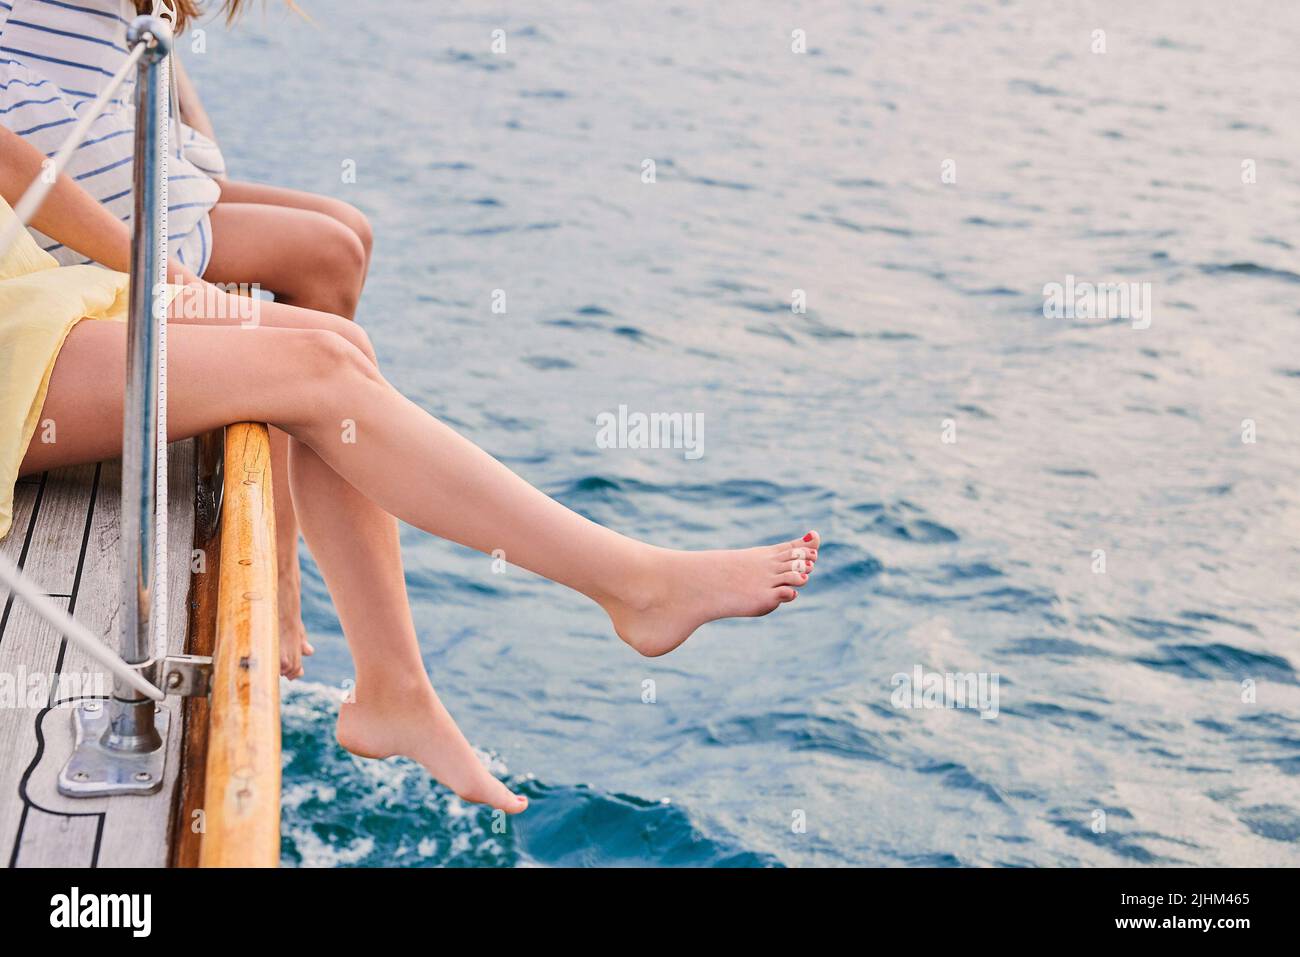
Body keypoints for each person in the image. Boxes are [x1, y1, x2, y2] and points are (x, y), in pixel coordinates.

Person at [0, 131, 821, 814]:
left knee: (337, 347)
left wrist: (163, 268)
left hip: (29, 285)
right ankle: (634, 586)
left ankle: (394, 688)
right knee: (317, 369)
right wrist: (161, 275)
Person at [0, 0, 372, 667]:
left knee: (347, 232)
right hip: (83, 181)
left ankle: (290, 566)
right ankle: (282, 578)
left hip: (104, 155)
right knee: (329, 255)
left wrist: (187, 152)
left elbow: (137, 40)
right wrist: (152, 263)